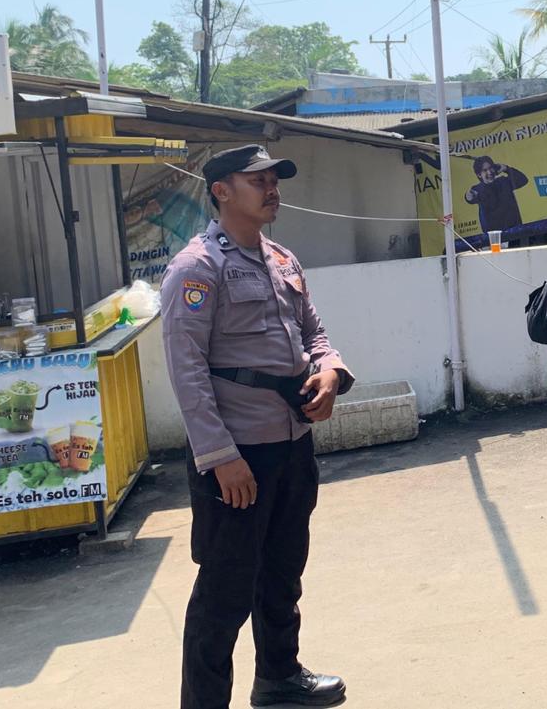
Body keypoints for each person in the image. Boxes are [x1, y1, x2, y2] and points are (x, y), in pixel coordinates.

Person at [160, 145, 354, 709]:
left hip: (291, 445)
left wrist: (330, 371)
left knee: (283, 574)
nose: (272, 189)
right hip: (237, 457)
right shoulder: (197, 268)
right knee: (224, 592)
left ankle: (278, 678)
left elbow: (315, 333)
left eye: (274, 180)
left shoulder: (283, 260)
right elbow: (187, 370)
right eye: (258, 181)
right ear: (221, 191)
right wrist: (221, 456)